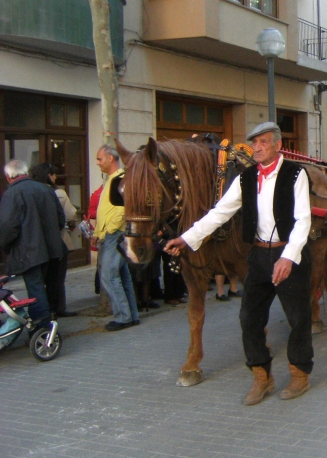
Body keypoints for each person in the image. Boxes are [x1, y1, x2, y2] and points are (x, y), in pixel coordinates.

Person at [165, 122, 315, 406]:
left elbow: (303, 219)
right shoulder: (246, 178)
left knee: (298, 319)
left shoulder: (296, 174)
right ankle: (261, 376)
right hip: (258, 256)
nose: (257, 148)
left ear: (278, 145)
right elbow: (219, 213)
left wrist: (288, 257)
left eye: (263, 142)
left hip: (288, 255)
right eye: (254, 142)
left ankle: (299, 374)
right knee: (249, 319)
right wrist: (186, 239)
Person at [0, 159, 66, 329]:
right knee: (46, 288)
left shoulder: (12, 193)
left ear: (8, 176)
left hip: (29, 250)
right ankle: (49, 324)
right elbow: (60, 219)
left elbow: (7, 227)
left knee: (36, 290)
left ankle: (43, 330)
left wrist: (6, 247)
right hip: (51, 248)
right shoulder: (45, 189)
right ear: (25, 172)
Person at [94, 146, 140, 331]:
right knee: (121, 275)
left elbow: (122, 207)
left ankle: (123, 317)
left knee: (109, 275)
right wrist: (98, 232)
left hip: (115, 234)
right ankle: (131, 315)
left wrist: (110, 228)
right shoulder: (113, 179)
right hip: (110, 233)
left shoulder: (120, 178)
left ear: (111, 158)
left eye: (100, 159)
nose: (98, 163)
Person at [28, 163, 79, 317]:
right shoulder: (59, 193)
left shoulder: (30, 192)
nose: (56, 177)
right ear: (48, 175)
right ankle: (58, 307)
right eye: (54, 174)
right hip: (58, 240)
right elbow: (70, 215)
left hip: (37, 242)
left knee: (41, 279)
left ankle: (44, 309)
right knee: (57, 277)